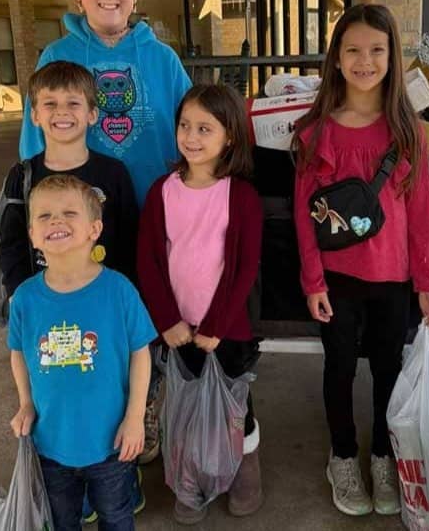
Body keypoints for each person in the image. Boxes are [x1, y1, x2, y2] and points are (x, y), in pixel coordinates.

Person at [18, 0, 192, 474]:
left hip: (148, 225)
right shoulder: (58, 59)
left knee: (143, 326)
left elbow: (191, 134)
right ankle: (96, 438)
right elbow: (34, 149)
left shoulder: (161, 60)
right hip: (77, 232)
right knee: (88, 336)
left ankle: (145, 415)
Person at [292, 4, 429, 517]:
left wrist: (428, 283)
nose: (364, 60)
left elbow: (421, 214)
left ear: (392, 57)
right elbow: (304, 216)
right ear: (335, 59)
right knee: (338, 369)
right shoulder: (315, 133)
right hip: (336, 279)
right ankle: (341, 455)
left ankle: (382, 453)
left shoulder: (409, 132)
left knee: (388, 369)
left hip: (393, 280)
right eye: (352, 50)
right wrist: (313, 281)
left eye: (376, 50)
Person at [136, 84, 264, 525]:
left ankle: (244, 468)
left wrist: (217, 325)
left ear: (229, 136)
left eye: (204, 128)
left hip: (229, 329)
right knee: (187, 406)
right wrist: (168, 320)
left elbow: (245, 266)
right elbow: (148, 262)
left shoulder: (240, 196)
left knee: (236, 408)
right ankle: (191, 477)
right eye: (185, 126)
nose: (191, 136)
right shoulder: (162, 192)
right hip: (179, 328)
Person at [8, 174, 156, 531]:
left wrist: (135, 418)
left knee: (116, 516)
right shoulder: (25, 298)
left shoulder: (119, 290)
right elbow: (18, 352)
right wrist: (26, 402)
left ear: (94, 229)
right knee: (61, 520)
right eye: (43, 216)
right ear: (32, 234)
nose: (55, 221)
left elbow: (141, 353)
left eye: (69, 213)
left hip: (111, 442)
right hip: (50, 443)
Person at [0, 61, 137, 298]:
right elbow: (12, 246)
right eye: (50, 104)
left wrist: (125, 296)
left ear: (92, 114)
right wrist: (19, 296)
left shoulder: (113, 173)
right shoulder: (22, 177)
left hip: (105, 299)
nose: (62, 112)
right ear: (34, 115)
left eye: (73, 103)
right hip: (45, 302)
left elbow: (130, 241)